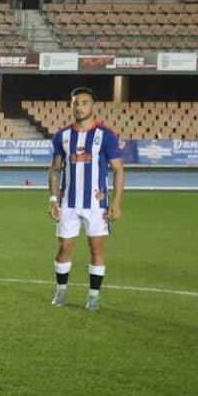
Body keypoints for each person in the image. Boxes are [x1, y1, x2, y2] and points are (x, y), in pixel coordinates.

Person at [48, 87, 125, 311]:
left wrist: (117, 202)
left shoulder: (106, 135)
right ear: (71, 106)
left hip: (96, 204)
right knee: (64, 248)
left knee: (96, 249)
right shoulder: (62, 136)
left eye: (84, 102)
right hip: (68, 203)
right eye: (75, 103)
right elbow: (55, 170)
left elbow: (118, 170)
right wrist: (53, 199)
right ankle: (61, 291)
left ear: (93, 106)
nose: (79, 106)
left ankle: (93, 295)